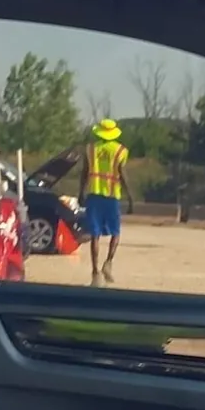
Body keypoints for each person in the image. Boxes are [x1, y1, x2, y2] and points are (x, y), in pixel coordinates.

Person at [77, 118, 131, 285]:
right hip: (112, 196)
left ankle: (95, 272)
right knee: (115, 232)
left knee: (95, 235)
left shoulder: (90, 149)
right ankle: (108, 262)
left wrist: (81, 192)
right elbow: (122, 174)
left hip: (94, 195)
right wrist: (130, 196)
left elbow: (84, 172)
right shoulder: (121, 150)